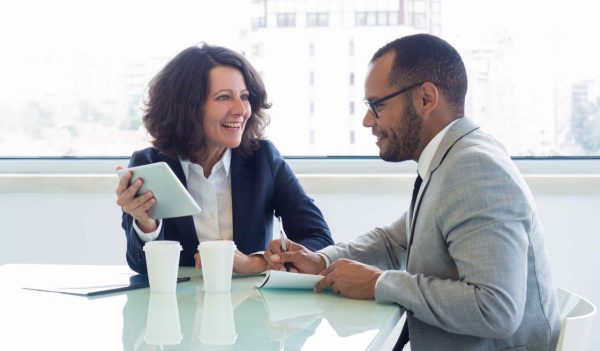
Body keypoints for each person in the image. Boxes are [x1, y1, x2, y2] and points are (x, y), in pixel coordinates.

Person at [267, 34, 560, 350]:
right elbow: (395, 241)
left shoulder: (473, 169)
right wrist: (321, 261)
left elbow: (496, 309)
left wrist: (379, 283)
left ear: (425, 99)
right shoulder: (452, 158)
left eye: (377, 105)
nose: (367, 121)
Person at [116, 44, 333, 275]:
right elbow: (140, 266)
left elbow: (319, 241)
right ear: (187, 106)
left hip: (252, 305)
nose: (241, 109)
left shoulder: (264, 159)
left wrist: (258, 263)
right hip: (180, 306)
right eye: (224, 97)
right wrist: (145, 223)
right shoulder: (149, 165)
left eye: (245, 96)